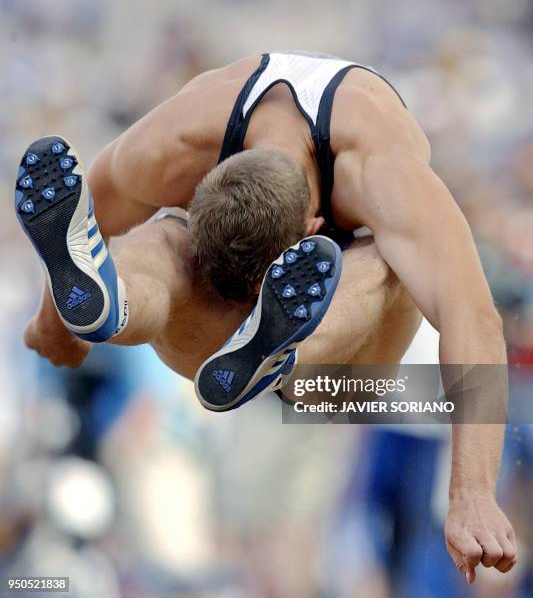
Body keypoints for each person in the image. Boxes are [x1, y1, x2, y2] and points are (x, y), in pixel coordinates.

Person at [16, 51, 516, 582]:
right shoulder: (184, 144)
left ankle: (124, 307)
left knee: (168, 236)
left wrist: (54, 326)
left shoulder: (377, 168)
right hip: (287, 374)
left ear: (314, 227)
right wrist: (469, 497)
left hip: (342, 388)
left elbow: (474, 319)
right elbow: (73, 237)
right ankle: (265, 353)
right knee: (185, 238)